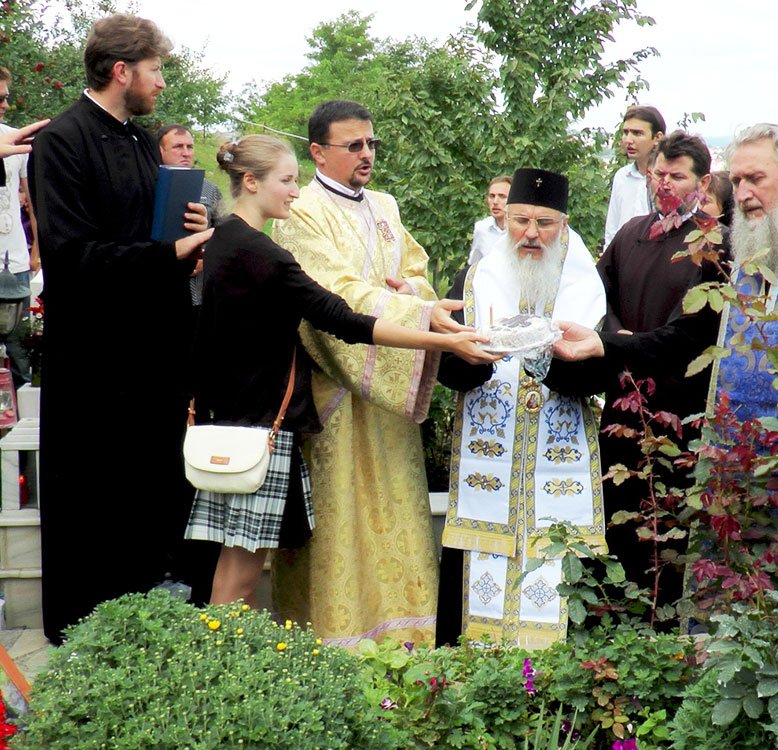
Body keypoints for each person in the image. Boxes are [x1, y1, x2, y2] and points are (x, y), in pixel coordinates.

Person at [185, 135, 495, 606]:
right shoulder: (262, 253)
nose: (295, 191)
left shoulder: (222, 240)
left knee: (233, 566)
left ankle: (231, 665)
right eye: (287, 181)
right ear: (250, 182)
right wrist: (441, 336)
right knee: (241, 576)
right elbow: (344, 319)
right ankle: (221, 671)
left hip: (231, 418)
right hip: (259, 424)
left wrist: (427, 313)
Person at [27, 14, 215, 643]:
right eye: (156, 70)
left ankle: (145, 634)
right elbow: (71, 254)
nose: (161, 83)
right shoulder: (62, 142)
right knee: (95, 502)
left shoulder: (138, 141)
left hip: (151, 357)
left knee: (146, 501)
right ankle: (88, 638)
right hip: (95, 363)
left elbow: (147, 232)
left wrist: (186, 229)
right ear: (121, 71)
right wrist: (168, 255)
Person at [556, 123, 778, 426]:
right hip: (730, 459)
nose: (741, 195)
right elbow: (684, 340)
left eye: (755, 179)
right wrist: (605, 342)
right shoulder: (727, 249)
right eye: (736, 181)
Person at [269, 99, 455, 646]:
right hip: (335, 393)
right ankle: (332, 644)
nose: (367, 154)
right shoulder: (300, 210)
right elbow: (333, 295)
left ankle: (408, 644)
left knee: (397, 514)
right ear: (318, 152)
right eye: (354, 145)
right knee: (340, 526)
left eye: (371, 143)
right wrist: (414, 312)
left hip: (390, 396)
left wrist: (415, 295)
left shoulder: (386, 205)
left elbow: (417, 273)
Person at [435, 167, 607, 649]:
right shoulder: (472, 281)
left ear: (564, 224)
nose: (531, 234)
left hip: (558, 470)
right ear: (504, 219)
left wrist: (547, 363)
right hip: (486, 474)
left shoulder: (587, 288)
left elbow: (600, 374)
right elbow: (447, 370)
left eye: (545, 223)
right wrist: (476, 361)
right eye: (520, 220)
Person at [596, 130, 721, 615]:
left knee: (669, 528)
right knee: (618, 521)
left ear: (703, 181)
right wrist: (615, 335)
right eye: (659, 174)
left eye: (678, 176)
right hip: (621, 404)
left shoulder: (715, 245)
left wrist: (627, 346)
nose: (665, 183)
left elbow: (696, 332)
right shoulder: (629, 233)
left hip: (679, 409)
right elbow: (598, 296)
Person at [0, 67, 40, 388]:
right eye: (0, 98)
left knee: (20, 351)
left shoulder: (15, 138)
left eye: (7, 98)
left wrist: (36, 249)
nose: (5, 104)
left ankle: (18, 430)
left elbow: (33, 201)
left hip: (14, 262)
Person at [157, 123, 223, 307]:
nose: (186, 153)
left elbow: (223, 233)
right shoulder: (148, 187)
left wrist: (206, 258)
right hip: (159, 286)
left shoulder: (210, 189)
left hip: (199, 292)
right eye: (178, 146)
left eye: (190, 147)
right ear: (160, 150)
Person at [604, 105, 665, 248]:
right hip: (623, 258)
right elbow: (612, 228)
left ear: (657, 138)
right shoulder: (622, 176)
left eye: (637, 133)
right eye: (626, 132)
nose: (628, 140)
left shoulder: (668, 180)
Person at [467, 175, 511, 267]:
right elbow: (474, 266)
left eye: (502, 196)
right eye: (492, 196)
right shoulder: (482, 228)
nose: (495, 201)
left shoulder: (524, 229)